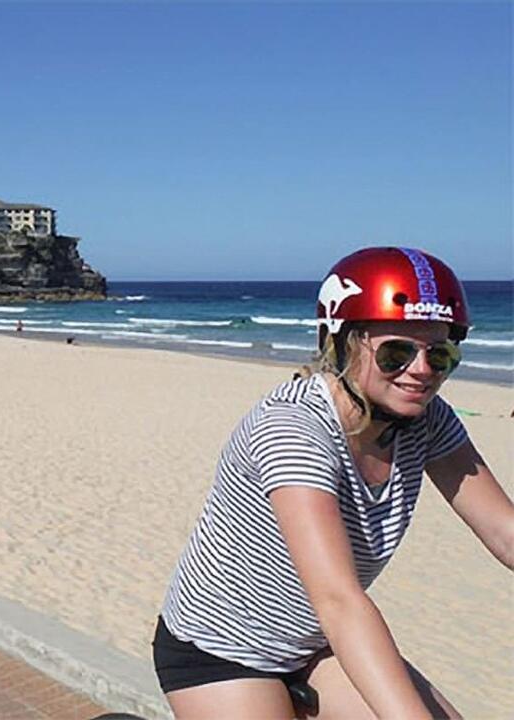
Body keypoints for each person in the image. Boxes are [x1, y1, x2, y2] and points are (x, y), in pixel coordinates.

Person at [154, 247, 513, 718]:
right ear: (340, 343)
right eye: (396, 352)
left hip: (313, 641)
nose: (422, 371)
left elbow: (503, 531)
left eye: (440, 354)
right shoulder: (294, 430)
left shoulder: (427, 420)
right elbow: (339, 599)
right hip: (221, 649)